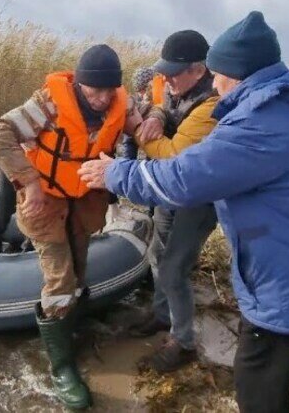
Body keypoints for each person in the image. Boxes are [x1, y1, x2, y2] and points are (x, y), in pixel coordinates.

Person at [79, 12, 289, 413]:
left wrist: (115, 172)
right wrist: (156, 115)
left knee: (258, 389)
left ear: (238, 74)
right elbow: (167, 118)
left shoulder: (261, 123)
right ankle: (167, 320)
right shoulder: (280, 106)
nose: (217, 83)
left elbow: (185, 176)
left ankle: (183, 340)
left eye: (219, 74)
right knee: (264, 381)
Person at [0, 44, 143, 409]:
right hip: (47, 198)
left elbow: (142, 115)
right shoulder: (48, 104)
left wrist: (151, 120)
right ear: (80, 85)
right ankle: (60, 366)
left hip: (84, 198)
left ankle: (74, 325)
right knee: (60, 277)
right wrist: (30, 183)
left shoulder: (123, 101)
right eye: (93, 91)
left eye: (108, 91)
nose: (102, 99)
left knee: (80, 265)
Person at [125, 29, 220, 373]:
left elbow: (174, 156)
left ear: (198, 69)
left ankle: (184, 342)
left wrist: (136, 126)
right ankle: (162, 315)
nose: (166, 78)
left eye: (173, 72)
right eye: (163, 70)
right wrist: (155, 116)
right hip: (170, 192)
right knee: (156, 252)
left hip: (198, 198)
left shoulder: (212, 103)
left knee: (174, 268)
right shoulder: (176, 86)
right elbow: (166, 110)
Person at [120, 66, 156, 160]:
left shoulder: (157, 96)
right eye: (140, 90)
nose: (142, 93)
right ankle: (126, 164)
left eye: (145, 89)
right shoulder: (134, 99)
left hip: (151, 133)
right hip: (133, 134)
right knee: (128, 143)